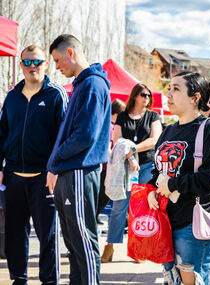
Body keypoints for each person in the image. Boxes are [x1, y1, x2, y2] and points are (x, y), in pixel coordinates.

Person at [146, 71, 210, 285]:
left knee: (194, 281)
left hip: (193, 224)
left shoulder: (209, 128)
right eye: (169, 88)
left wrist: (172, 184)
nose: (169, 94)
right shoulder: (168, 131)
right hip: (166, 221)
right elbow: (157, 171)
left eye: (176, 89)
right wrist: (152, 189)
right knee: (172, 280)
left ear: (195, 97)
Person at [46, 34, 111, 285]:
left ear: (71, 53)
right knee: (73, 242)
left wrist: (57, 158)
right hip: (70, 171)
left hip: (79, 171)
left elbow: (85, 135)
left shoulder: (93, 84)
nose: (57, 66)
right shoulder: (83, 85)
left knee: (83, 239)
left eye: (58, 59)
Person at [0, 44, 67, 285]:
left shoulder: (56, 94)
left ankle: (49, 281)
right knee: (15, 234)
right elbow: (2, 132)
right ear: (21, 66)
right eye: (27, 62)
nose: (32, 67)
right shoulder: (12, 97)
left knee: (47, 236)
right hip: (14, 177)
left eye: (37, 62)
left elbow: (63, 137)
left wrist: (55, 169)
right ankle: (19, 278)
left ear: (46, 64)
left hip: (44, 178)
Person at [101, 83, 162, 263]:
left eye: (149, 95)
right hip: (124, 168)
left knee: (140, 209)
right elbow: (117, 141)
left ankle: (138, 249)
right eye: (143, 94)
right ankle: (110, 246)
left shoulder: (153, 116)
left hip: (146, 167)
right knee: (119, 207)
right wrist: (129, 156)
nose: (146, 98)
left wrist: (133, 149)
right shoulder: (121, 116)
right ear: (135, 95)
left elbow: (154, 139)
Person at [97, 99, 126, 224]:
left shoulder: (111, 125)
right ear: (116, 113)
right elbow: (107, 146)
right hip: (105, 167)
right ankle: (93, 215)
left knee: (104, 195)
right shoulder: (109, 126)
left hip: (108, 167)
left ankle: (94, 215)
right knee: (103, 195)